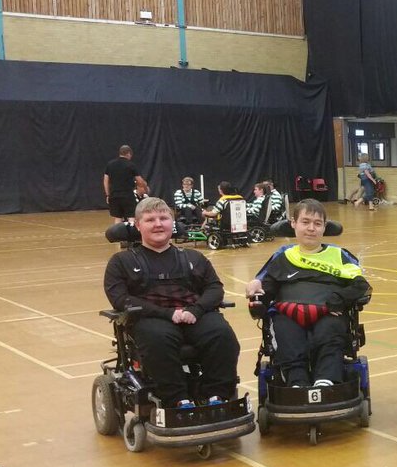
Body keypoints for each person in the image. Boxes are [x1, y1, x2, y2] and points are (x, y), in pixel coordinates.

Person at [103, 197, 239, 408]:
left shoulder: (194, 257)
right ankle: (177, 400)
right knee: (158, 340)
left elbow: (214, 288)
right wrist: (167, 314)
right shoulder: (122, 262)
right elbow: (120, 298)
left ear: (172, 223)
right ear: (138, 225)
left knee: (222, 335)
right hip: (153, 318)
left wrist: (196, 309)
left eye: (164, 218)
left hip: (193, 315)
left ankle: (217, 395)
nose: (158, 224)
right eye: (150, 220)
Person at [244, 200, 370, 388]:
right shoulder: (284, 257)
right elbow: (268, 286)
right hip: (288, 312)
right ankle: (297, 382)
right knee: (285, 330)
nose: (311, 228)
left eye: (317, 224)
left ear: (324, 227)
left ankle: (326, 380)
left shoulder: (339, 255)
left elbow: (361, 286)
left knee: (330, 329)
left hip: (328, 311)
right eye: (305, 222)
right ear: (293, 223)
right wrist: (258, 299)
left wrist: (338, 301)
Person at [103, 145, 149, 225]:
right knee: (131, 217)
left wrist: (108, 194)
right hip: (127, 195)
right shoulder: (130, 165)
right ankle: (130, 235)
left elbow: (105, 181)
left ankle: (117, 236)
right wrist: (146, 188)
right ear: (128, 154)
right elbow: (139, 181)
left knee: (117, 218)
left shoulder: (110, 164)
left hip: (114, 195)